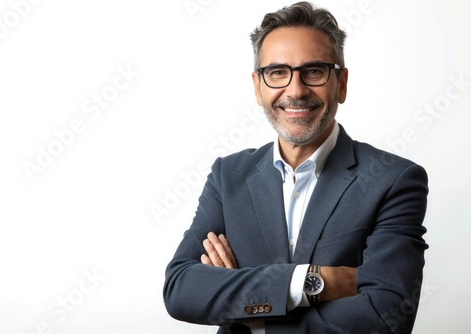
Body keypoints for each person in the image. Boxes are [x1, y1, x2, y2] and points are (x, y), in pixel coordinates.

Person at [163, 2, 429, 333]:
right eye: (277, 73)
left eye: (314, 71)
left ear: (341, 83)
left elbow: (387, 315)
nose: (296, 90)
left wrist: (252, 315)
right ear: (258, 88)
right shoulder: (228, 175)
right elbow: (181, 290)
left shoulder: (393, 180)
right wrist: (314, 281)